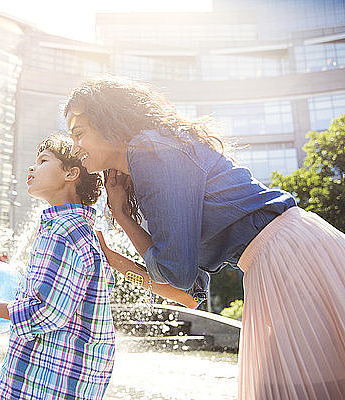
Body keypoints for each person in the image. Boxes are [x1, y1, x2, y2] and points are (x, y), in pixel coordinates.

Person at [64, 77, 345, 400]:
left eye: (79, 134)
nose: (75, 148)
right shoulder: (151, 154)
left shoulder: (149, 151)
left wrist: (125, 219)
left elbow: (178, 275)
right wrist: (117, 256)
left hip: (288, 257)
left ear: (107, 122)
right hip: (280, 255)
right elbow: (192, 290)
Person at [0, 134, 198, 399]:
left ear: (71, 173)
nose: (32, 167)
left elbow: (47, 312)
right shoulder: (82, 233)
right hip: (71, 378)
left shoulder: (62, 232)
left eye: (43, 161)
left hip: (43, 380)